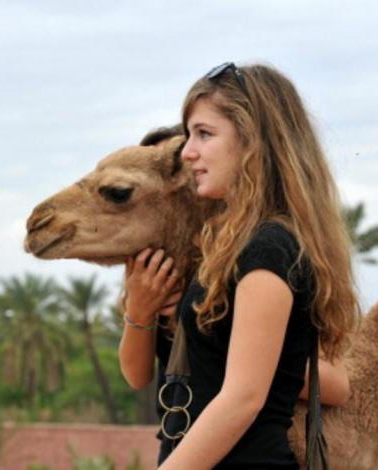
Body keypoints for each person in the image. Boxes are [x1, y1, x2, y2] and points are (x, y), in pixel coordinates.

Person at [117, 62, 359, 469]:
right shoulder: (233, 250)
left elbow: (243, 399)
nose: (188, 152)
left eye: (204, 134)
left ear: (252, 140)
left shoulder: (268, 249)